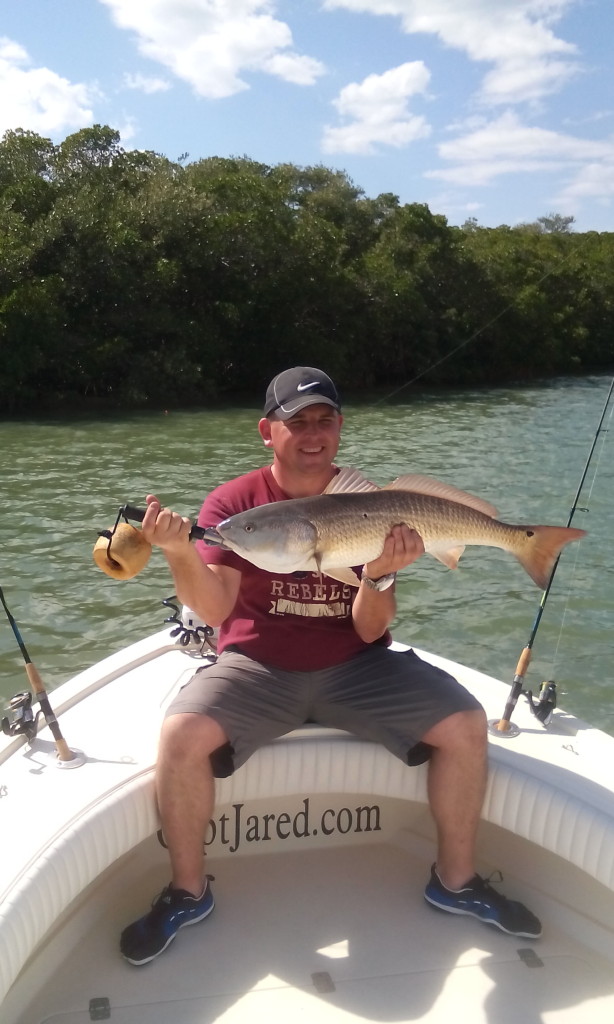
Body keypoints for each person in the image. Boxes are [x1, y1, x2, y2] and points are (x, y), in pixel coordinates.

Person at [120, 366, 541, 966]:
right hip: (257, 666)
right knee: (181, 733)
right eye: (297, 423)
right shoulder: (237, 505)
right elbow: (213, 607)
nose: (312, 434)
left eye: (325, 421)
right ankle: (188, 893)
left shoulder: (367, 505)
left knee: (466, 724)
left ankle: (456, 882)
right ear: (268, 431)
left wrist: (381, 570)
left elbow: (371, 627)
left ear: (339, 428)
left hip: (357, 666)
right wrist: (179, 551)